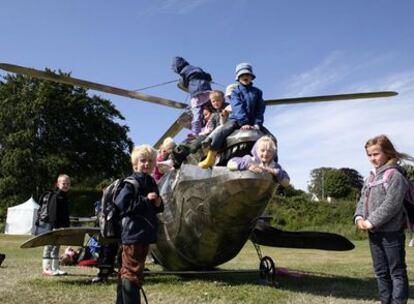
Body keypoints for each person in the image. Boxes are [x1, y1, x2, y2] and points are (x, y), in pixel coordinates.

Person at [354, 134, 412, 304]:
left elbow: (392, 205)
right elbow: (362, 200)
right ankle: (384, 301)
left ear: (387, 152)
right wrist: (358, 218)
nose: (372, 158)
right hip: (374, 234)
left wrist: (370, 221)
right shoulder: (371, 177)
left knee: (397, 272)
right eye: (369, 155)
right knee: (380, 272)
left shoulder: (395, 176)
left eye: (376, 154)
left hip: (391, 234)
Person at [114, 145, 164, 304]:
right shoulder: (131, 182)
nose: (147, 164)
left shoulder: (150, 181)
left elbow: (155, 208)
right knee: (132, 273)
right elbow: (122, 204)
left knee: (130, 271)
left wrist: (158, 203)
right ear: (135, 163)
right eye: (143, 161)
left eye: (150, 161)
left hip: (145, 234)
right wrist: (145, 200)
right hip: (132, 234)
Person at [199, 62, 268, 168]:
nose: (245, 76)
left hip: (253, 121)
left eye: (247, 74)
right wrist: (243, 122)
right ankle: (211, 157)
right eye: (242, 75)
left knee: (271, 138)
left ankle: (271, 162)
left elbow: (260, 109)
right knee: (221, 132)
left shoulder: (258, 92)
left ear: (251, 77)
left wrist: (257, 124)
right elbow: (237, 106)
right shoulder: (236, 92)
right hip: (236, 120)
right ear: (238, 78)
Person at [35, 174, 71, 276]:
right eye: (63, 183)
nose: (66, 185)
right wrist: (54, 226)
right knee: (49, 246)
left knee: (56, 247)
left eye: (68, 184)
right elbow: (52, 213)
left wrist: (66, 227)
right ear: (58, 184)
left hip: (61, 227)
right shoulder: (55, 196)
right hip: (53, 226)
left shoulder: (65, 197)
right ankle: (46, 268)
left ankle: (55, 268)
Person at [172, 56, 212, 136]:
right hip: (207, 91)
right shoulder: (197, 68)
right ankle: (210, 127)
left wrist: (182, 81)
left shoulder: (183, 72)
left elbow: (185, 83)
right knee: (209, 110)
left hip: (196, 93)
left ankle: (195, 133)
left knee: (196, 113)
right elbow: (208, 76)